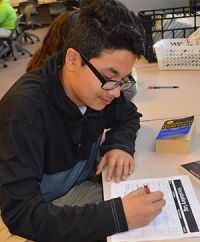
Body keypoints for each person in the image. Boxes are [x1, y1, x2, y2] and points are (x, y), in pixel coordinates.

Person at [0, 1, 166, 242]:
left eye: (123, 80)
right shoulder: (24, 113)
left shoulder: (98, 90)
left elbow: (128, 115)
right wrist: (118, 216)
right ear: (72, 59)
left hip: (80, 187)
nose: (117, 92)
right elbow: (21, 214)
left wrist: (119, 145)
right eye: (110, 77)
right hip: (48, 208)